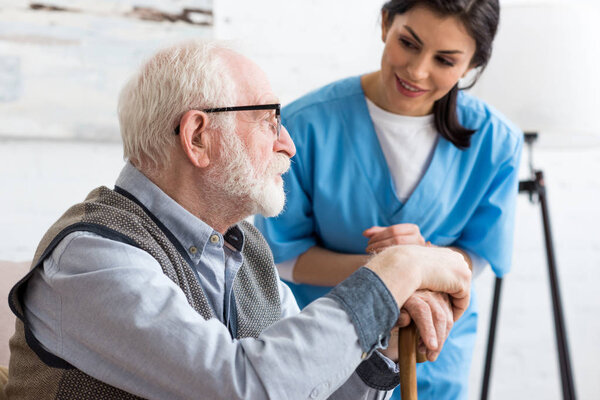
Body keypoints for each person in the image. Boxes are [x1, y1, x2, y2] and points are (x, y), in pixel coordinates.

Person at [3, 40, 471, 400]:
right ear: (198, 137)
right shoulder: (91, 258)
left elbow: (305, 387)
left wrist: (385, 342)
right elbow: (242, 388)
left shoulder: (244, 247)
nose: (288, 144)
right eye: (269, 121)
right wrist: (394, 273)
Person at [255, 1, 523, 399]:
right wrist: (394, 271)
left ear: (471, 65)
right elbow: (282, 255)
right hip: (329, 347)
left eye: (445, 60)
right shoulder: (304, 125)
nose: (417, 71)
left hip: (434, 354)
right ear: (385, 23)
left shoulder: (497, 142)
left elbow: (479, 254)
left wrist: (424, 265)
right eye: (408, 43)